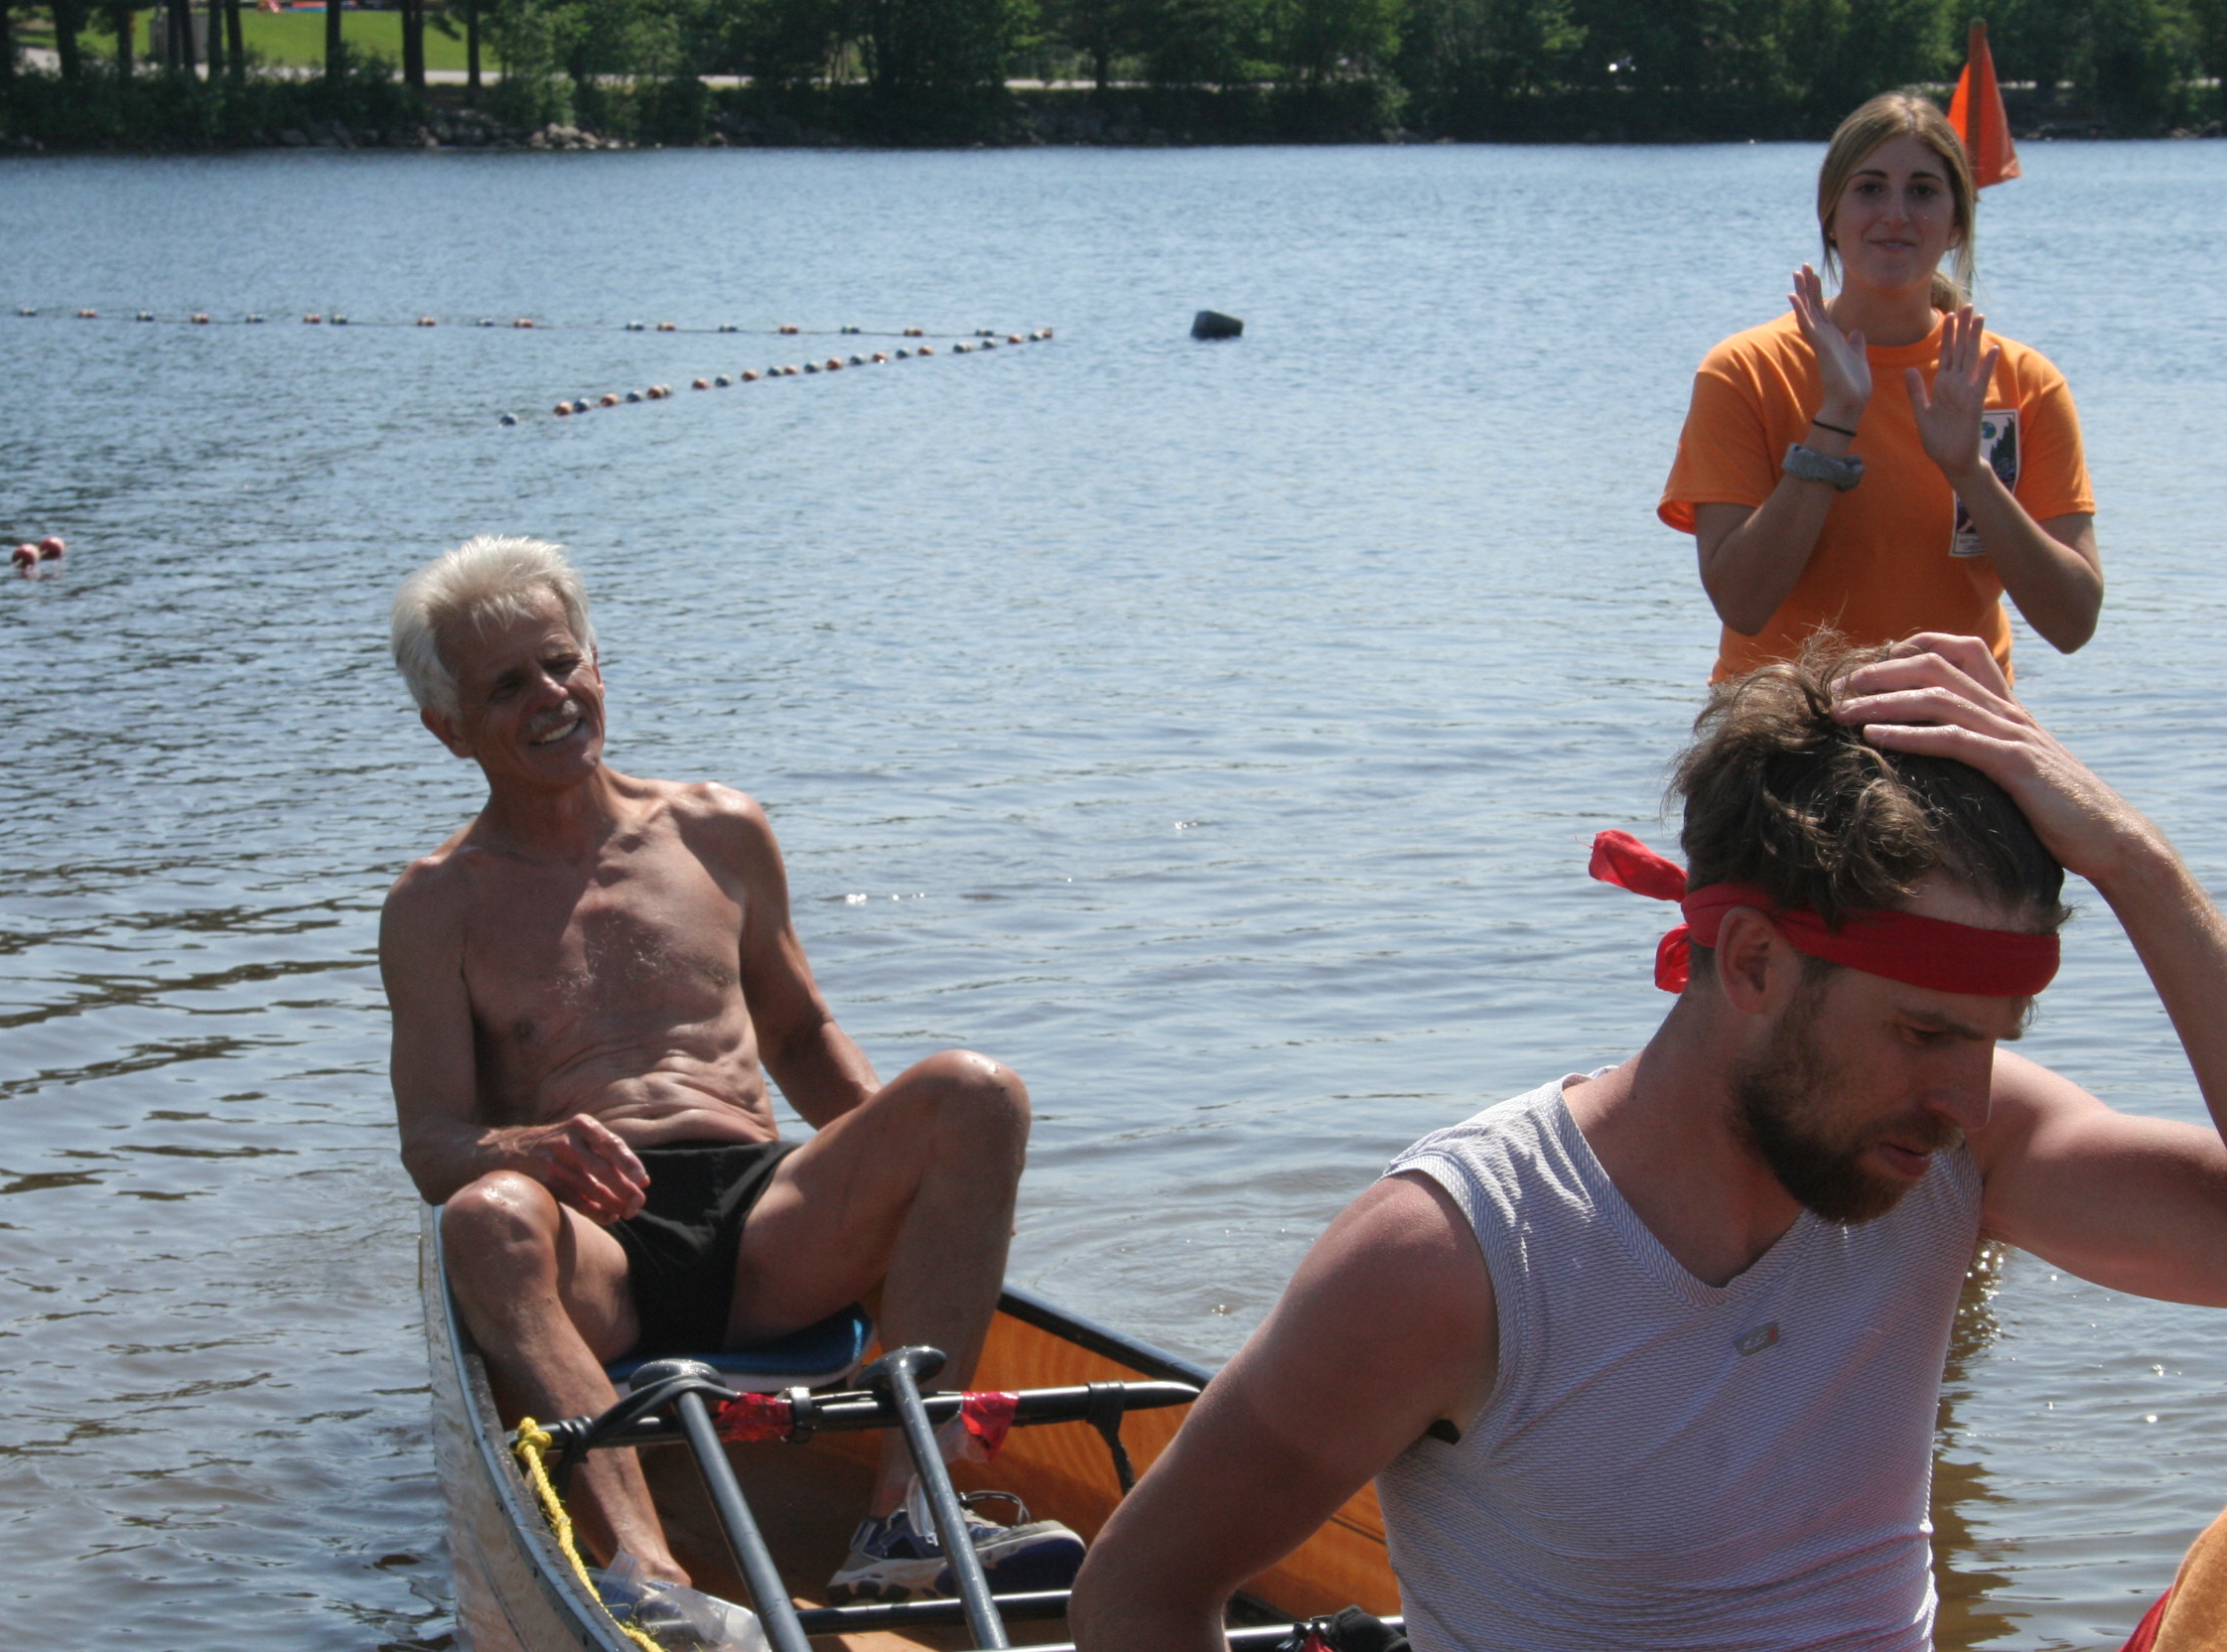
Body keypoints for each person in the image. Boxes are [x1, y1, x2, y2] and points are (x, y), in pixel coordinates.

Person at [1072, 632, 2227, 1652]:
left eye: (1991, 1039)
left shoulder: (1966, 1149)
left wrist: (2137, 860)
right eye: (1925, 1030)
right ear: (1755, 965)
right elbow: (1139, 1593)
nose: (1966, 1097)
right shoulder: (1452, 1260)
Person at [378, 535, 1082, 1602]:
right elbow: (433, 1141)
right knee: (482, 1217)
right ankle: (647, 1565)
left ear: (600, 665)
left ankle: (906, 1520)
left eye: (564, 662)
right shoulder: (435, 905)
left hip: (767, 1226)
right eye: (509, 684)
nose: (552, 695)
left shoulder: (718, 828)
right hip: (600, 1256)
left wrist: (942, 1188)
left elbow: (799, 1037)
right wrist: (534, 1147)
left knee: (978, 1093)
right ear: (449, 728)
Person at [1661, 91, 2101, 683]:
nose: (1896, 213)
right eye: (1870, 188)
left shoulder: (2022, 382)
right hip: (1785, 731)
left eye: (1922, 191)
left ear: (1955, 223)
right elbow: (1742, 603)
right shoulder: (1744, 370)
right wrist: (1835, 422)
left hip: (1957, 729)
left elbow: (2072, 624)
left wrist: (1971, 472)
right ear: (1831, 214)